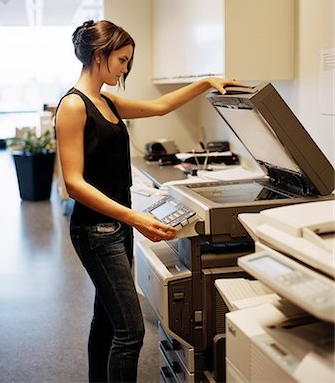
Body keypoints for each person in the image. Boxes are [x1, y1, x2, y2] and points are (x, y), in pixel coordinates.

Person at [55, 19, 246, 383]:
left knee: (108, 320)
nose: (126, 68)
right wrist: (137, 218)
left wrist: (206, 81)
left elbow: (159, 106)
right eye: (122, 60)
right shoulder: (74, 106)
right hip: (95, 232)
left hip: (115, 228)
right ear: (100, 55)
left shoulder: (105, 100)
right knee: (130, 332)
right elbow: (74, 184)